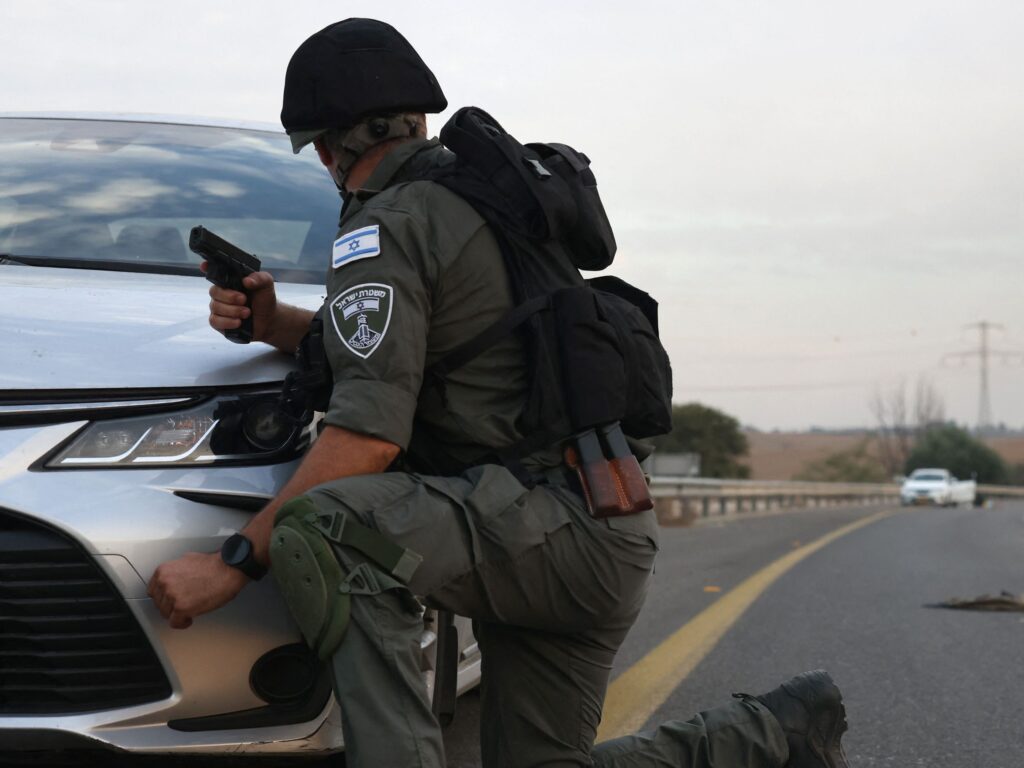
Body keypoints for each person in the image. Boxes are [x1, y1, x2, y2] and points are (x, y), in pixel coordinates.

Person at [147, 18, 850, 768]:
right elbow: (427, 346)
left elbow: (365, 441)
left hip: (538, 528)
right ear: (417, 118)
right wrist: (276, 324)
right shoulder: (480, 201)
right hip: (602, 527)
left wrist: (230, 562)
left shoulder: (386, 228)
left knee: (324, 529)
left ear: (329, 146)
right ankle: (774, 735)